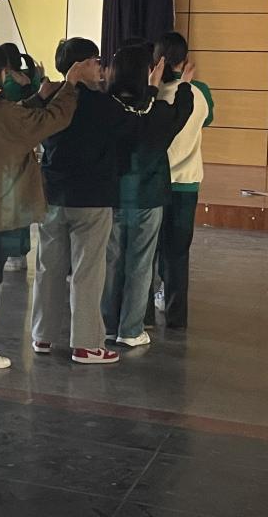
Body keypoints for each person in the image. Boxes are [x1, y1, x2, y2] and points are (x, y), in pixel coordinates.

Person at [32, 37, 191, 365]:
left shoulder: (51, 98)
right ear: (80, 66)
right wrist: (159, 91)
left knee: (49, 267)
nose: (101, 69)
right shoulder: (100, 105)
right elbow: (141, 126)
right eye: (96, 62)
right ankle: (86, 345)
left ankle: (43, 336)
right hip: (91, 199)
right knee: (88, 272)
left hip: (53, 195)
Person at [0, 44, 84, 369]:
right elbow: (51, 120)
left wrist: (39, 96)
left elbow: (20, 116)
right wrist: (69, 85)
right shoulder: (1, 113)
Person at [102, 44, 194, 348]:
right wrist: (183, 84)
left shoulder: (107, 108)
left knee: (112, 262)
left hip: (111, 196)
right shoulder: (160, 112)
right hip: (149, 195)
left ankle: (108, 324)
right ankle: (131, 330)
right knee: (140, 264)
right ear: (149, 72)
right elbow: (183, 111)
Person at [149, 32, 214, 329]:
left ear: (157, 60)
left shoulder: (153, 94)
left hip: (155, 183)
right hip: (187, 183)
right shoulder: (200, 93)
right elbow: (207, 119)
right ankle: (176, 314)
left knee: (148, 250)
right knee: (177, 252)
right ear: (185, 59)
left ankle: (142, 316)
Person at [0, 42, 43, 272]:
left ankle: (13, 252)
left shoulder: (8, 81)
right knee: (19, 200)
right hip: (25, 145)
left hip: (8, 145)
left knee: (10, 201)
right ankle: (19, 251)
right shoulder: (31, 78)